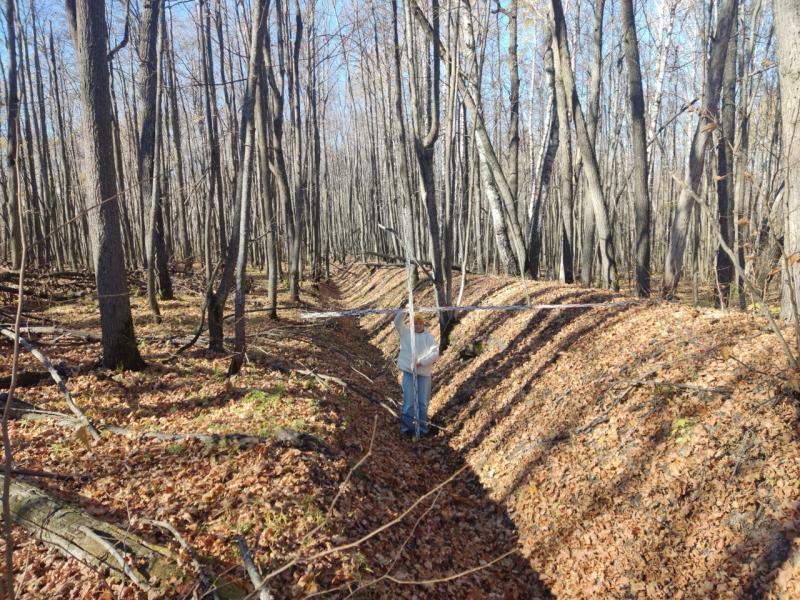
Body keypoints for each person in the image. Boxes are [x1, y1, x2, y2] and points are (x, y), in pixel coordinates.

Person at [393, 311, 439, 436]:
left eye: (419, 323)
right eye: (415, 323)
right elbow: (397, 322)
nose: (417, 325)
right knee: (409, 402)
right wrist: (404, 311)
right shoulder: (406, 333)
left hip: (424, 375)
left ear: (423, 324)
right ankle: (406, 429)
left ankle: (422, 429)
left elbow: (434, 354)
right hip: (409, 373)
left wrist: (421, 362)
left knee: (422, 403)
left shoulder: (428, 337)